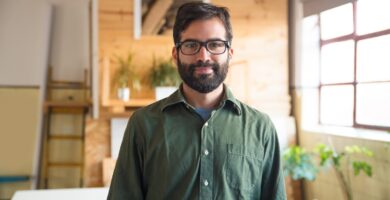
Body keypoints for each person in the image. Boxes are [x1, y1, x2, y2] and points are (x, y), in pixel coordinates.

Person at [107, 2, 286, 200]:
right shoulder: (143, 124)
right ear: (176, 55)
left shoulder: (261, 128)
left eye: (215, 44)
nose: (203, 56)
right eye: (191, 45)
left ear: (230, 54)